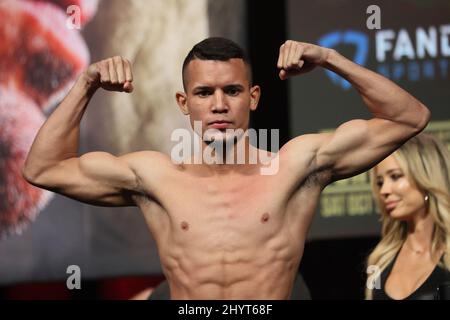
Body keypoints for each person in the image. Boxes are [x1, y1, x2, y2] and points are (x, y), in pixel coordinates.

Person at [22, 37, 430, 299]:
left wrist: (330, 58)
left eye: (232, 90)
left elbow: (409, 118)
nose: (219, 104)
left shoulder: (294, 167)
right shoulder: (156, 178)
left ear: (252, 97)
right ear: (185, 103)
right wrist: (86, 83)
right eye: (204, 92)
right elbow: (44, 168)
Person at [366, 133, 450, 300]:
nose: (384, 191)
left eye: (395, 176)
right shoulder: (378, 262)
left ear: (426, 176)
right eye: (380, 182)